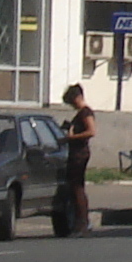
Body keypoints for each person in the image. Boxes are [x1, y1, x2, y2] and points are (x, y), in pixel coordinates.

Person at [59, 84, 97, 234]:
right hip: (76, 152)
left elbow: (91, 131)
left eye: (72, 102)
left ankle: (82, 223)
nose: (72, 105)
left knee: (77, 188)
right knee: (76, 187)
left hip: (80, 153)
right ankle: (81, 222)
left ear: (78, 98)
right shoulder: (81, 113)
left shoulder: (85, 113)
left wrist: (72, 137)